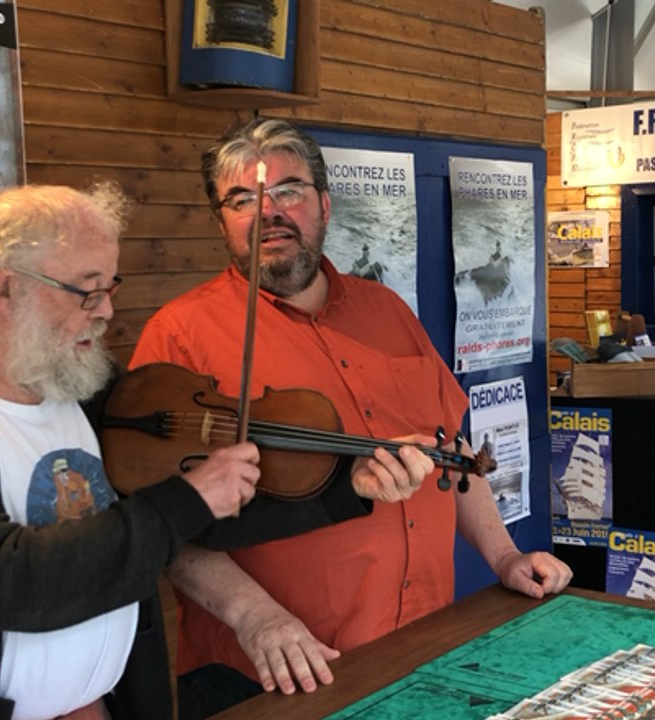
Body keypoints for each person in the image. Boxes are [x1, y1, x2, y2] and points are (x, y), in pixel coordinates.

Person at [0, 183, 419, 720]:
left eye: (110, 288)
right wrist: (184, 501)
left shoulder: (77, 381)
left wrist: (347, 486)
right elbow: (5, 583)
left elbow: (191, 524)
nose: (107, 311)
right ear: (6, 288)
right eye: (87, 290)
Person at [131, 118, 572, 718]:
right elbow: (157, 517)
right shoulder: (179, 335)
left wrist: (504, 557)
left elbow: (454, 450)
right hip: (275, 669)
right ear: (222, 220)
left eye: (288, 190)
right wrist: (255, 616)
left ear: (324, 204)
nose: (268, 211)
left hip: (421, 642)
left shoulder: (386, 308)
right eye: (241, 199)